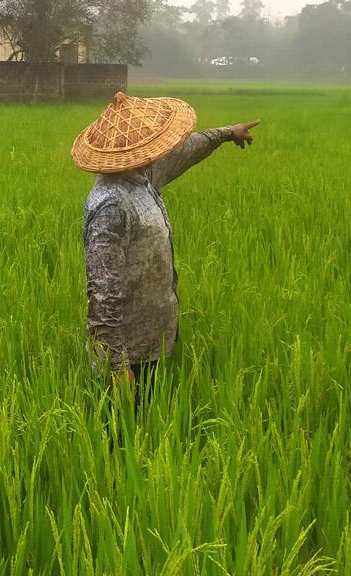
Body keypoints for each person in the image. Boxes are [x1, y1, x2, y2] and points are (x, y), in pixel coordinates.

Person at [72, 91, 259, 402]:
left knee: (148, 431)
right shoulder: (110, 205)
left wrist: (227, 134)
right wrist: (116, 366)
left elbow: (186, 150)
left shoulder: (141, 176)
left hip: (151, 341)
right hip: (127, 354)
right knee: (120, 438)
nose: (161, 152)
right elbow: (102, 294)